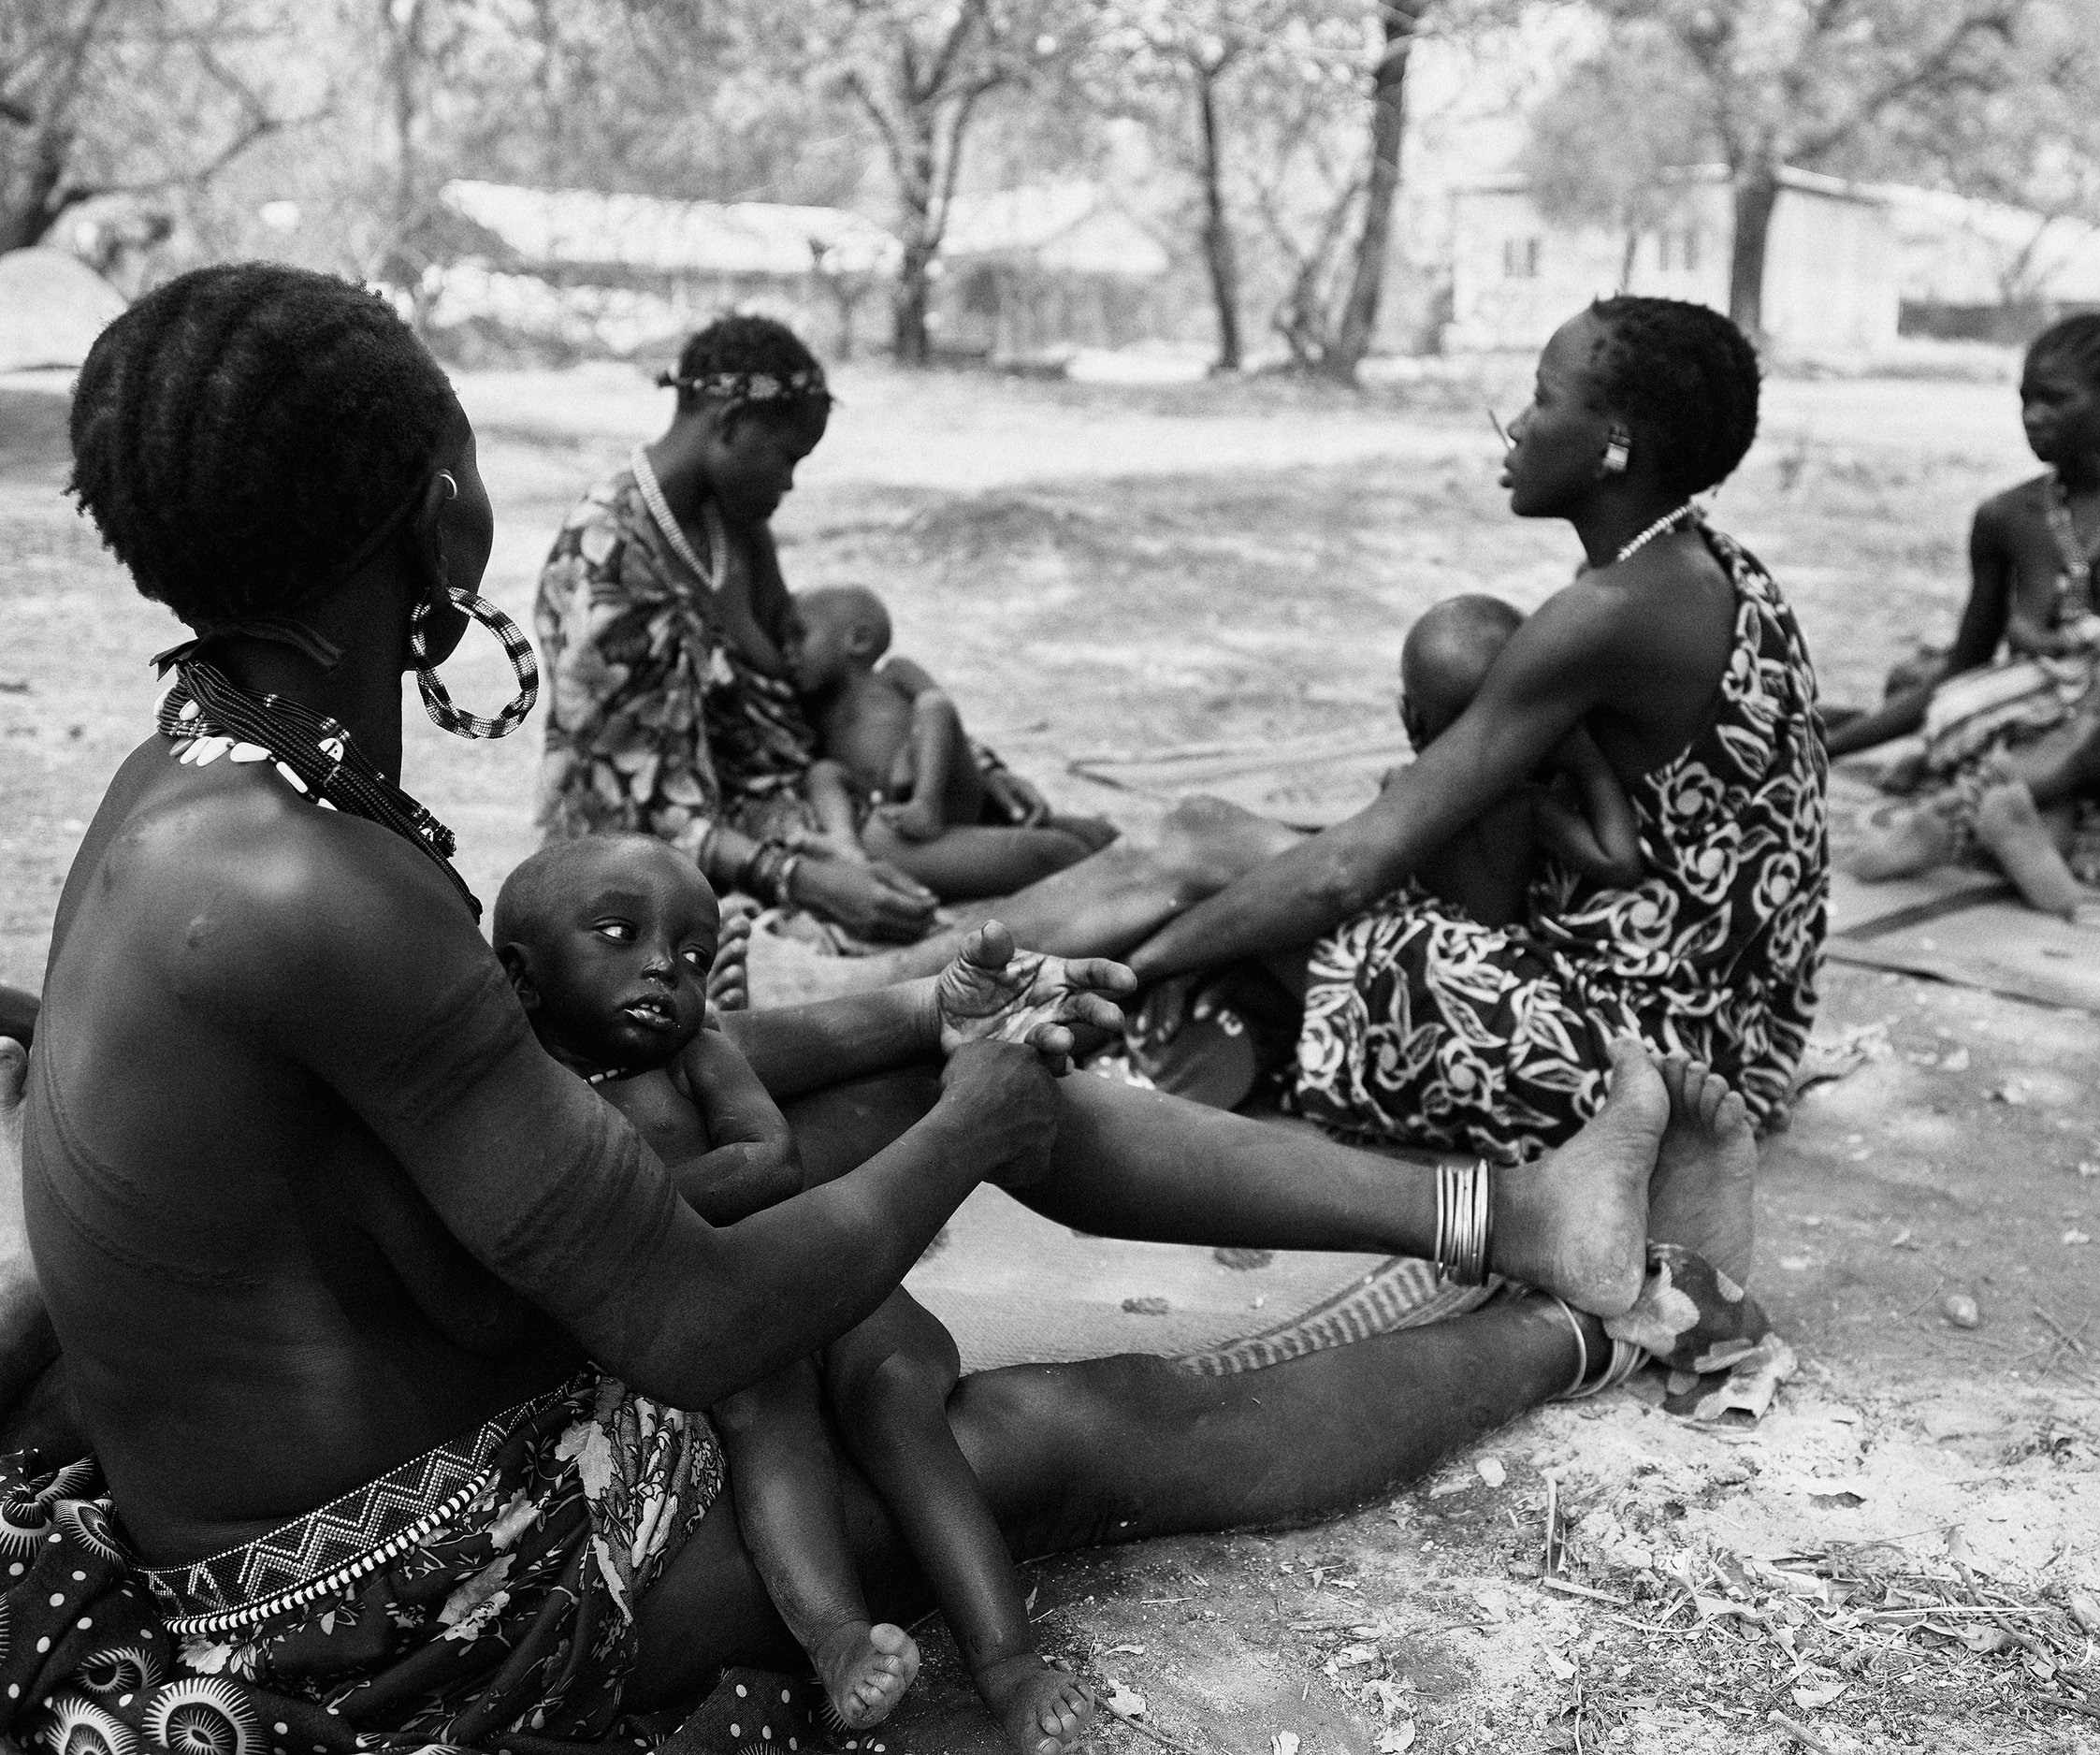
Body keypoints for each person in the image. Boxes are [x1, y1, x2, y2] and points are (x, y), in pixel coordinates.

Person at [6, 263, 1772, 1754]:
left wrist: (925, 1018)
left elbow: (507, 1094)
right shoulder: (314, 888)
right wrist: (964, 1128)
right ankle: (1603, 1329)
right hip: (387, 1596)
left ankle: (1524, 1214)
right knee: (1042, 1429)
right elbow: (690, 1328)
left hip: (407, 1400)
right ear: (434, 513)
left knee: (931, 1096)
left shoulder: (220, 786)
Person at [1106, 297, 1826, 1166]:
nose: (1516, 427)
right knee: (1232, 868)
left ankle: (980, 988)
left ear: (1616, 442)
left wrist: (1134, 969)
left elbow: (1345, 873)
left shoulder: (1607, 613)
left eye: (1542, 398)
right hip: (1737, 1043)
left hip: (1634, 1069)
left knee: (1211, 852)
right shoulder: (1717, 570)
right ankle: (962, 982)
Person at [492, 834, 1091, 1749]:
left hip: (828, 1296)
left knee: (890, 1400)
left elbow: (769, 1163)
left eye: (693, 957)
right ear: (520, 977)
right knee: (756, 1395)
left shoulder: (701, 1054)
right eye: (619, 933)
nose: (662, 965)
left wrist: (620, 1220)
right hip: (727, 1332)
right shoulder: (512, 1094)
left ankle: (1005, 1660)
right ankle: (838, 1639)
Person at [532, 315, 1059, 945]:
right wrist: (800, 879)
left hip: (822, 802)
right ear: (729, 424)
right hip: (700, 842)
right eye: (788, 457)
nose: (790, 482)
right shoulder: (608, 562)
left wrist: (967, 769)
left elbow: (814, 686)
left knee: (1055, 840)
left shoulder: (731, 523)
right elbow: (625, 806)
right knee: (1050, 868)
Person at [1826, 313, 2100, 916]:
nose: (2033, 417)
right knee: (2027, 766)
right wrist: (1832, 747)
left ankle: (1952, 813)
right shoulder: (2005, 518)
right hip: (2018, 726)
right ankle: (2023, 828)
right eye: (2024, 400)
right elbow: (1961, 669)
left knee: (2094, 729)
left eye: (2056, 400)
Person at [792, 585, 1116, 900]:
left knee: (932, 706)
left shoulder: (894, 674)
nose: (786, 652)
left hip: (948, 789)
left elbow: (946, 714)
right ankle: (842, 841)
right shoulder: (817, 709)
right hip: (890, 811)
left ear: (858, 640)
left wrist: (981, 771)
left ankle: (926, 804)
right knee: (822, 772)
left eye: (798, 636)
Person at [1398, 593, 1643, 927]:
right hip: (1490, 958)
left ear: (1408, 717)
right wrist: (1587, 762)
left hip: (1424, 941)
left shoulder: (1395, 789)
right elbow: (1620, 864)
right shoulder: (1524, 808)